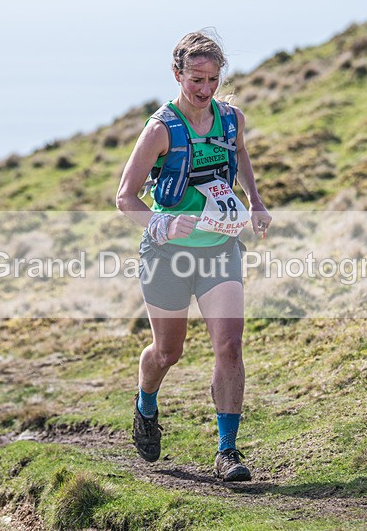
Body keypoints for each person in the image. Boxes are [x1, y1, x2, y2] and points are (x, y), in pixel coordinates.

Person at [115, 30, 271, 482]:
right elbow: (125, 198)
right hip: (166, 254)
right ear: (177, 73)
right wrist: (162, 223)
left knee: (229, 344)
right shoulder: (161, 129)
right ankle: (146, 404)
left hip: (219, 247)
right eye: (196, 80)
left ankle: (227, 451)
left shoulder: (231, 119)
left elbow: (239, 153)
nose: (205, 90)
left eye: (213, 80)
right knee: (168, 352)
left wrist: (255, 201)